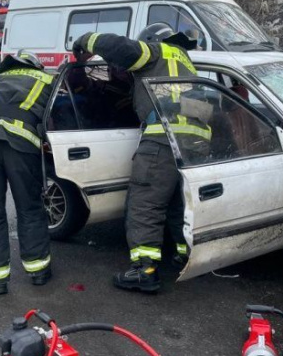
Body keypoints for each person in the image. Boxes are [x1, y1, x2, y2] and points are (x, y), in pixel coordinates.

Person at [72, 23, 205, 293]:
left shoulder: (155, 53)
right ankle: (183, 254)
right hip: (195, 143)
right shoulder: (184, 61)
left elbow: (119, 47)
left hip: (163, 140)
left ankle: (144, 271)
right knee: (177, 203)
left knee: (144, 205)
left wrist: (86, 40)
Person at [0, 50, 53, 295]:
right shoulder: (46, 80)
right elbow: (60, 114)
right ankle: (38, 271)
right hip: (21, 144)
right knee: (29, 207)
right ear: (35, 65)